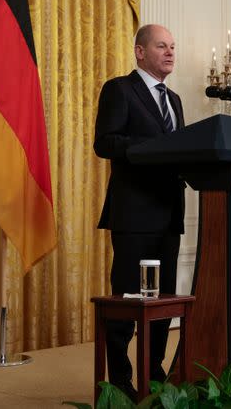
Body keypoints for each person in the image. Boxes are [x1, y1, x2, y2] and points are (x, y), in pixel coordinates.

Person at [94, 24, 185, 399]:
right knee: (129, 299)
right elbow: (105, 142)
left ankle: (154, 373)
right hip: (133, 213)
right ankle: (118, 380)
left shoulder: (175, 100)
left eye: (173, 47)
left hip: (169, 214)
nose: (170, 52)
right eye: (161, 46)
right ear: (140, 52)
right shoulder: (120, 89)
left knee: (162, 302)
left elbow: (180, 147)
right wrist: (155, 147)